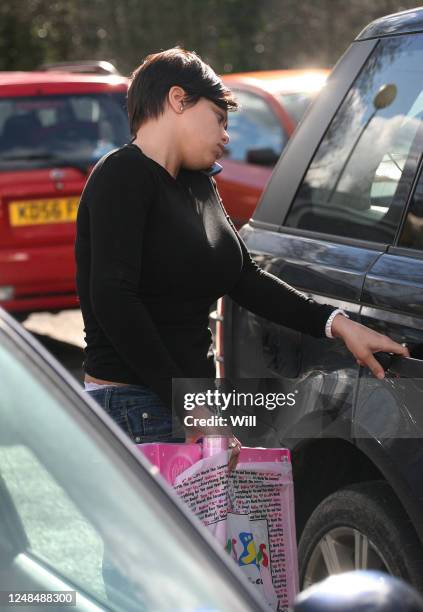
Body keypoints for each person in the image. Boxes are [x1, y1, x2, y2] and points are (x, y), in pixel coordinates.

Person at [75, 47, 409, 471]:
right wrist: (189, 408)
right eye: (219, 119)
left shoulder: (197, 184)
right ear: (179, 100)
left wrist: (338, 324)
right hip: (133, 405)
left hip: (184, 402)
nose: (226, 136)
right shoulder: (122, 175)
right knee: (144, 541)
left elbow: (245, 278)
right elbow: (113, 299)